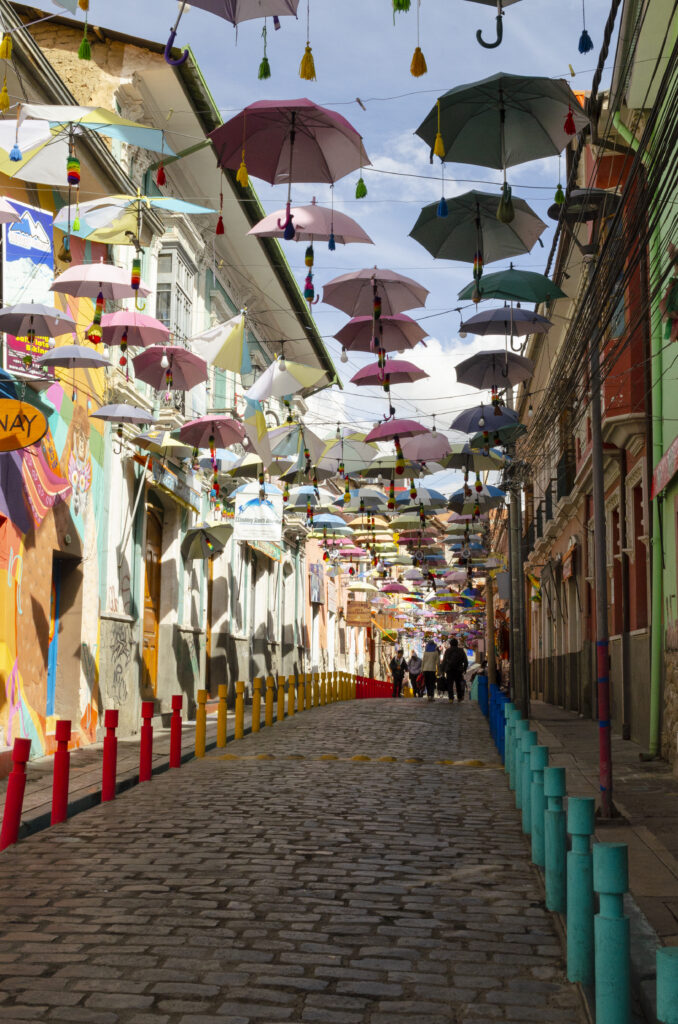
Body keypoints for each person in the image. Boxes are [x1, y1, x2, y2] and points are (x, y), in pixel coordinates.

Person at [443, 637, 468, 702]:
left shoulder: (448, 651)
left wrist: (443, 670)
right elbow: (465, 661)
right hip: (459, 670)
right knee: (458, 684)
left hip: (450, 670)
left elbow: (444, 661)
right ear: (457, 644)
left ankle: (451, 698)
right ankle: (459, 697)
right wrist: (465, 669)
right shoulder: (461, 650)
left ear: (450, 644)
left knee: (450, 684)